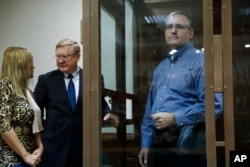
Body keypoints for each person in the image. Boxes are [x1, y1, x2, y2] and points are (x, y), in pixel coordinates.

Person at [138, 11, 223, 167]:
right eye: (169, 27)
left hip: (189, 140)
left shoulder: (202, 61)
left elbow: (215, 105)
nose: (173, 31)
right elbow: (150, 108)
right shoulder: (160, 68)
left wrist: (174, 118)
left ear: (191, 33)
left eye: (179, 27)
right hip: (160, 143)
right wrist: (146, 142)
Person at [34, 38, 119, 167]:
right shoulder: (45, 80)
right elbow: (36, 113)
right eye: (57, 56)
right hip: (53, 146)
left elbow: (100, 104)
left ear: (77, 57)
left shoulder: (93, 78)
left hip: (83, 146)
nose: (60, 60)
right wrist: (40, 141)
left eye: (65, 56)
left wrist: (107, 113)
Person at [0, 46, 44, 167]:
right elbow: (3, 124)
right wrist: (25, 155)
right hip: (11, 160)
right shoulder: (5, 86)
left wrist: (39, 146)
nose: (33, 66)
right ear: (20, 64)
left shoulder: (26, 91)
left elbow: (34, 123)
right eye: (30, 62)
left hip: (29, 157)